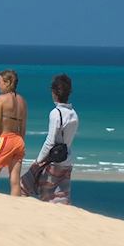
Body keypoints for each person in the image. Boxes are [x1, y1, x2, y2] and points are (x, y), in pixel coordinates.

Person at [20, 74, 79, 204]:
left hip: (52, 161)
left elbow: (50, 141)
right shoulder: (74, 114)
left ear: (54, 92)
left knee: (23, 185)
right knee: (60, 197)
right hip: (66, 159)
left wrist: (38, 161)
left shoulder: (56, 113)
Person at [0, 69, 28, 196]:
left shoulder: (1, 99)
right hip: (19, 141)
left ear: (7, 83)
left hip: (5, 139)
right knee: (15, 181)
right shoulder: (23, 101)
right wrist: (21, 144)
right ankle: (15, 205)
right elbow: (23, 127)